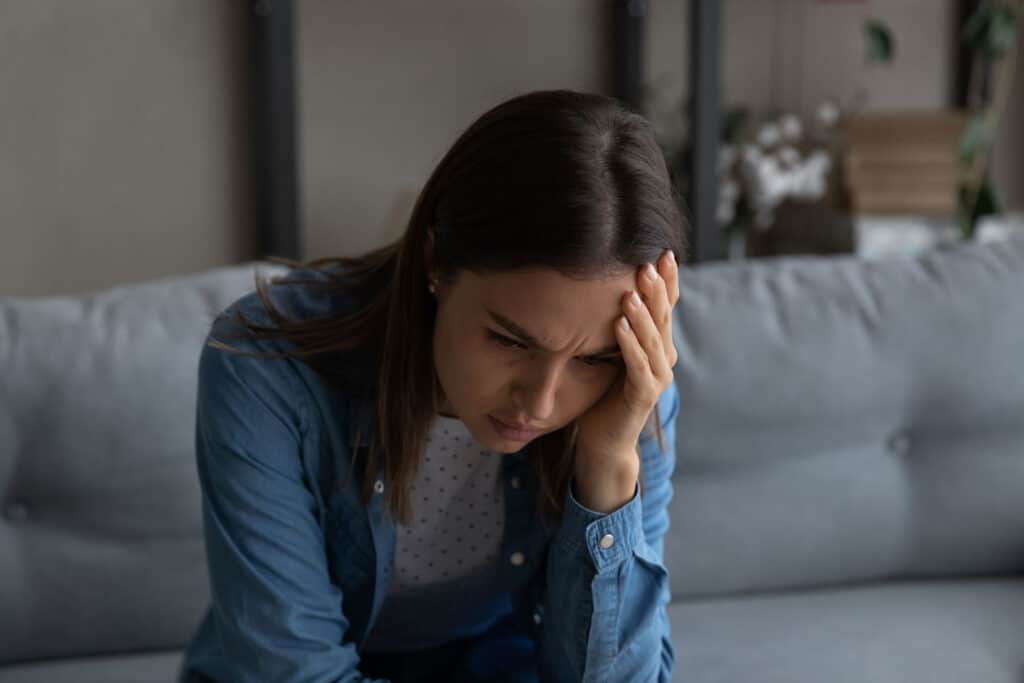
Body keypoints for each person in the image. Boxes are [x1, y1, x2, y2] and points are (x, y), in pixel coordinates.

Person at [178, 89, 686, 683]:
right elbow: (294, 673)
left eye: (592, 358)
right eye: (511, 341)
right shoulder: (265, 366)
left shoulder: (629, 391)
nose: (541, 403)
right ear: (436, 265)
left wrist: (607, 466)